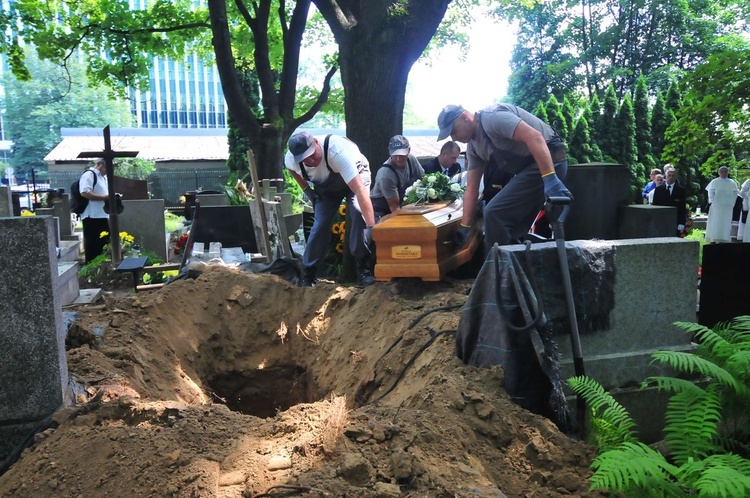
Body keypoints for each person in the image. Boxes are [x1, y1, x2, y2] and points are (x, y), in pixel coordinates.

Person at [437, 104, 570, 252]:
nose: (453, 138)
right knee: (506, 227)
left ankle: (498, 271)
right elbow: (471, 189)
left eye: (453, 131)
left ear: (465, 118)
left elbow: (535, 137)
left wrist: (550, 179)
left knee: (494, 214)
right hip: (531, 170)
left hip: (550, 162)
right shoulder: (474, 148)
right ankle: (515, 266)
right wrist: (465, 226)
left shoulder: (493, 118)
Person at [285, 131, 376, 287]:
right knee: (320, 225)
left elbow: (360, 190)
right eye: (305, 160)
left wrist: (372, 226)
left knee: (357, 211)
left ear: (316, 142)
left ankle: (363, 268)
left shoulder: (338, 152)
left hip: (356, 176)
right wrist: (308, 190)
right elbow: (291, 170)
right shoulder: (291, 160)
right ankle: (309, 273)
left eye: (312, 155)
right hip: (325, 186)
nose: (310, 161)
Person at [370, 135, 424, 220]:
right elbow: (395, 209)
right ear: (389, 150)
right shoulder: (386, 175)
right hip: (384, 213)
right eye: (395, 154)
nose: (398, 158)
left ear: (409, 150)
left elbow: (423, 180)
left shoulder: (411, 160)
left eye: (401, 154)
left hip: (403, 208)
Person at [79, 158, 110, 263]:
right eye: (107, 167)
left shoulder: (102, 177)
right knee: (93, 247)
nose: (107, 170)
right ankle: (91, 269)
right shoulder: (89, 175)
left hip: (102, 215)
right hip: (92, 216)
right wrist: (105, 197)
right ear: (100, 165)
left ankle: (101, 268)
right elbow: (85, 192)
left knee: (103, 245)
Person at [704, 166, 739, 243]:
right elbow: (710, 192)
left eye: (725, 171)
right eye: (722, 171)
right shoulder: (715, 181)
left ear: (728, 173)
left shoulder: (732, 182)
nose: (723, 173)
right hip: (716, 205)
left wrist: (731, 203)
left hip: (727, 207)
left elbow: (735, 193)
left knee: (725, 223)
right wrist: (713, 201)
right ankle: (714, 238)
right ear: (719, 173)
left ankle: (724, 238)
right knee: (715, 221)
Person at [652, 165, 687, 236]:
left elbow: (682, 208)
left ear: (676, 177)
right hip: (661, 220)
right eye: (669, 175)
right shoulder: (658, 190)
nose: (671, 177)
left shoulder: (681, 190)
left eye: (673, 176)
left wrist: (682, 223)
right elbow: (655, 206)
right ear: (665, 176)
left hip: (675, 221)